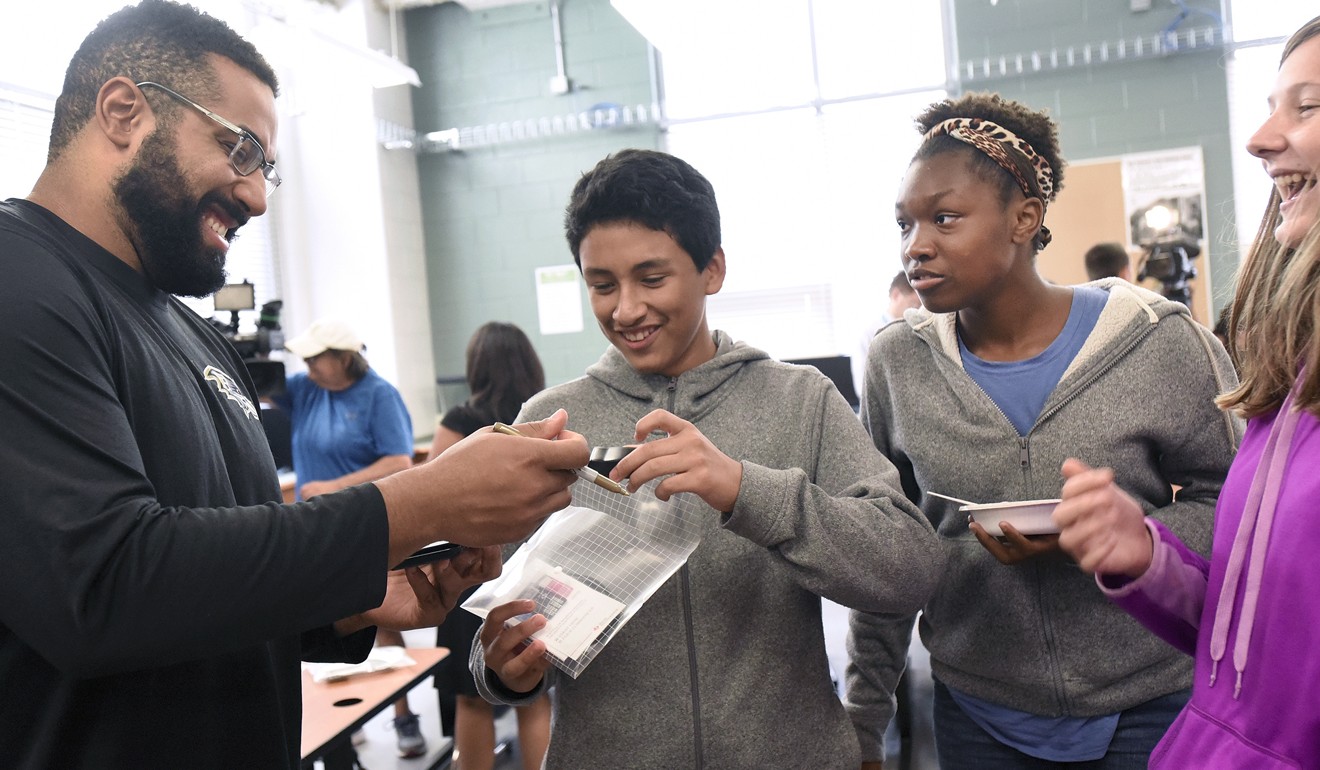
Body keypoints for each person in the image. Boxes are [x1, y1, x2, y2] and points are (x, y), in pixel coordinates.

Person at [0, 2, 587, 767]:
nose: (257, 196)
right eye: (239, 149)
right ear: (123, 111)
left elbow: (214, 587)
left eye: (267, 167)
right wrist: (416, 502)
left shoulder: (193, 333)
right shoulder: (22, 283)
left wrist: (356, 601)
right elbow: (104, 586)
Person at [468, 148, 942, 769]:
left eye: (652, 278)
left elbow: (908, 567)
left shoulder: (801, 400)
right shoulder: (550, 423)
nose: (626, 309)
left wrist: (745, 491)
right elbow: (499, 619)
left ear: (712, 269)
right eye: (602, 284)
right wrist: (505, 671)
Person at [845, 93, 1240, 769]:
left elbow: (1239, 504)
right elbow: (887, 546)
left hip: (1152, 702)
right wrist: (864, 714)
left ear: (1024, 218)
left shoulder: (1160, 341)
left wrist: (1135, 537)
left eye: (944, 218)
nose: (917, 246)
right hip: (978, 711)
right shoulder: (895, 364)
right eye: (904, 225)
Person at [1054, 16, 1320, 766]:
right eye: (1273, 105)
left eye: (1308, 107)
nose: (1262, 137)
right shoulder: (1294, 380)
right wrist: (1143, 558)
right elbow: (1252, 650)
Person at [274, 318, 426, 757]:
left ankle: (403, 718)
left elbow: (399, 461)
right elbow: (254, 382)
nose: (307, 366)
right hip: (312, 529)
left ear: (343, 358)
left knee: (376, 620)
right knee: (322, 623)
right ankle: (340, 729)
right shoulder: (306, 390)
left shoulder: (378, 395)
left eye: (315, 358)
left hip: (361, 525)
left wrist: (334, 486)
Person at [427, 321, 552, 770]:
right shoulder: (539, 422)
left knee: (472, 698)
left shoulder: (460, 421)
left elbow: (430, 497)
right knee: (535, 697)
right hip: (532, 571)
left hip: (471, 573)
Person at [853, 269, 922, 395]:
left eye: (919, 306)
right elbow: (862, 387)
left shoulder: (920, 330)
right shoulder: (869, 335)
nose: (916, 310)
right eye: (913, 304)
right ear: (896, 295)